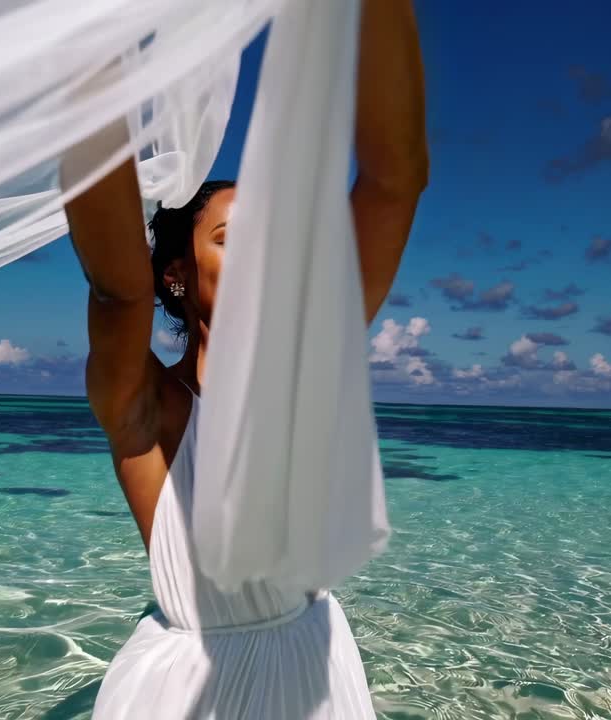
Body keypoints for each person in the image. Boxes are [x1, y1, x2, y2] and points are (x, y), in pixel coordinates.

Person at [63, 2, 427, 716]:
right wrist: (83, 50)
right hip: (193, 686)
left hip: (317, 661)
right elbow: (114, 288)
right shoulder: (146, 404)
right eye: (234, 239)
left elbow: (396, 180)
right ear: (176, 274)